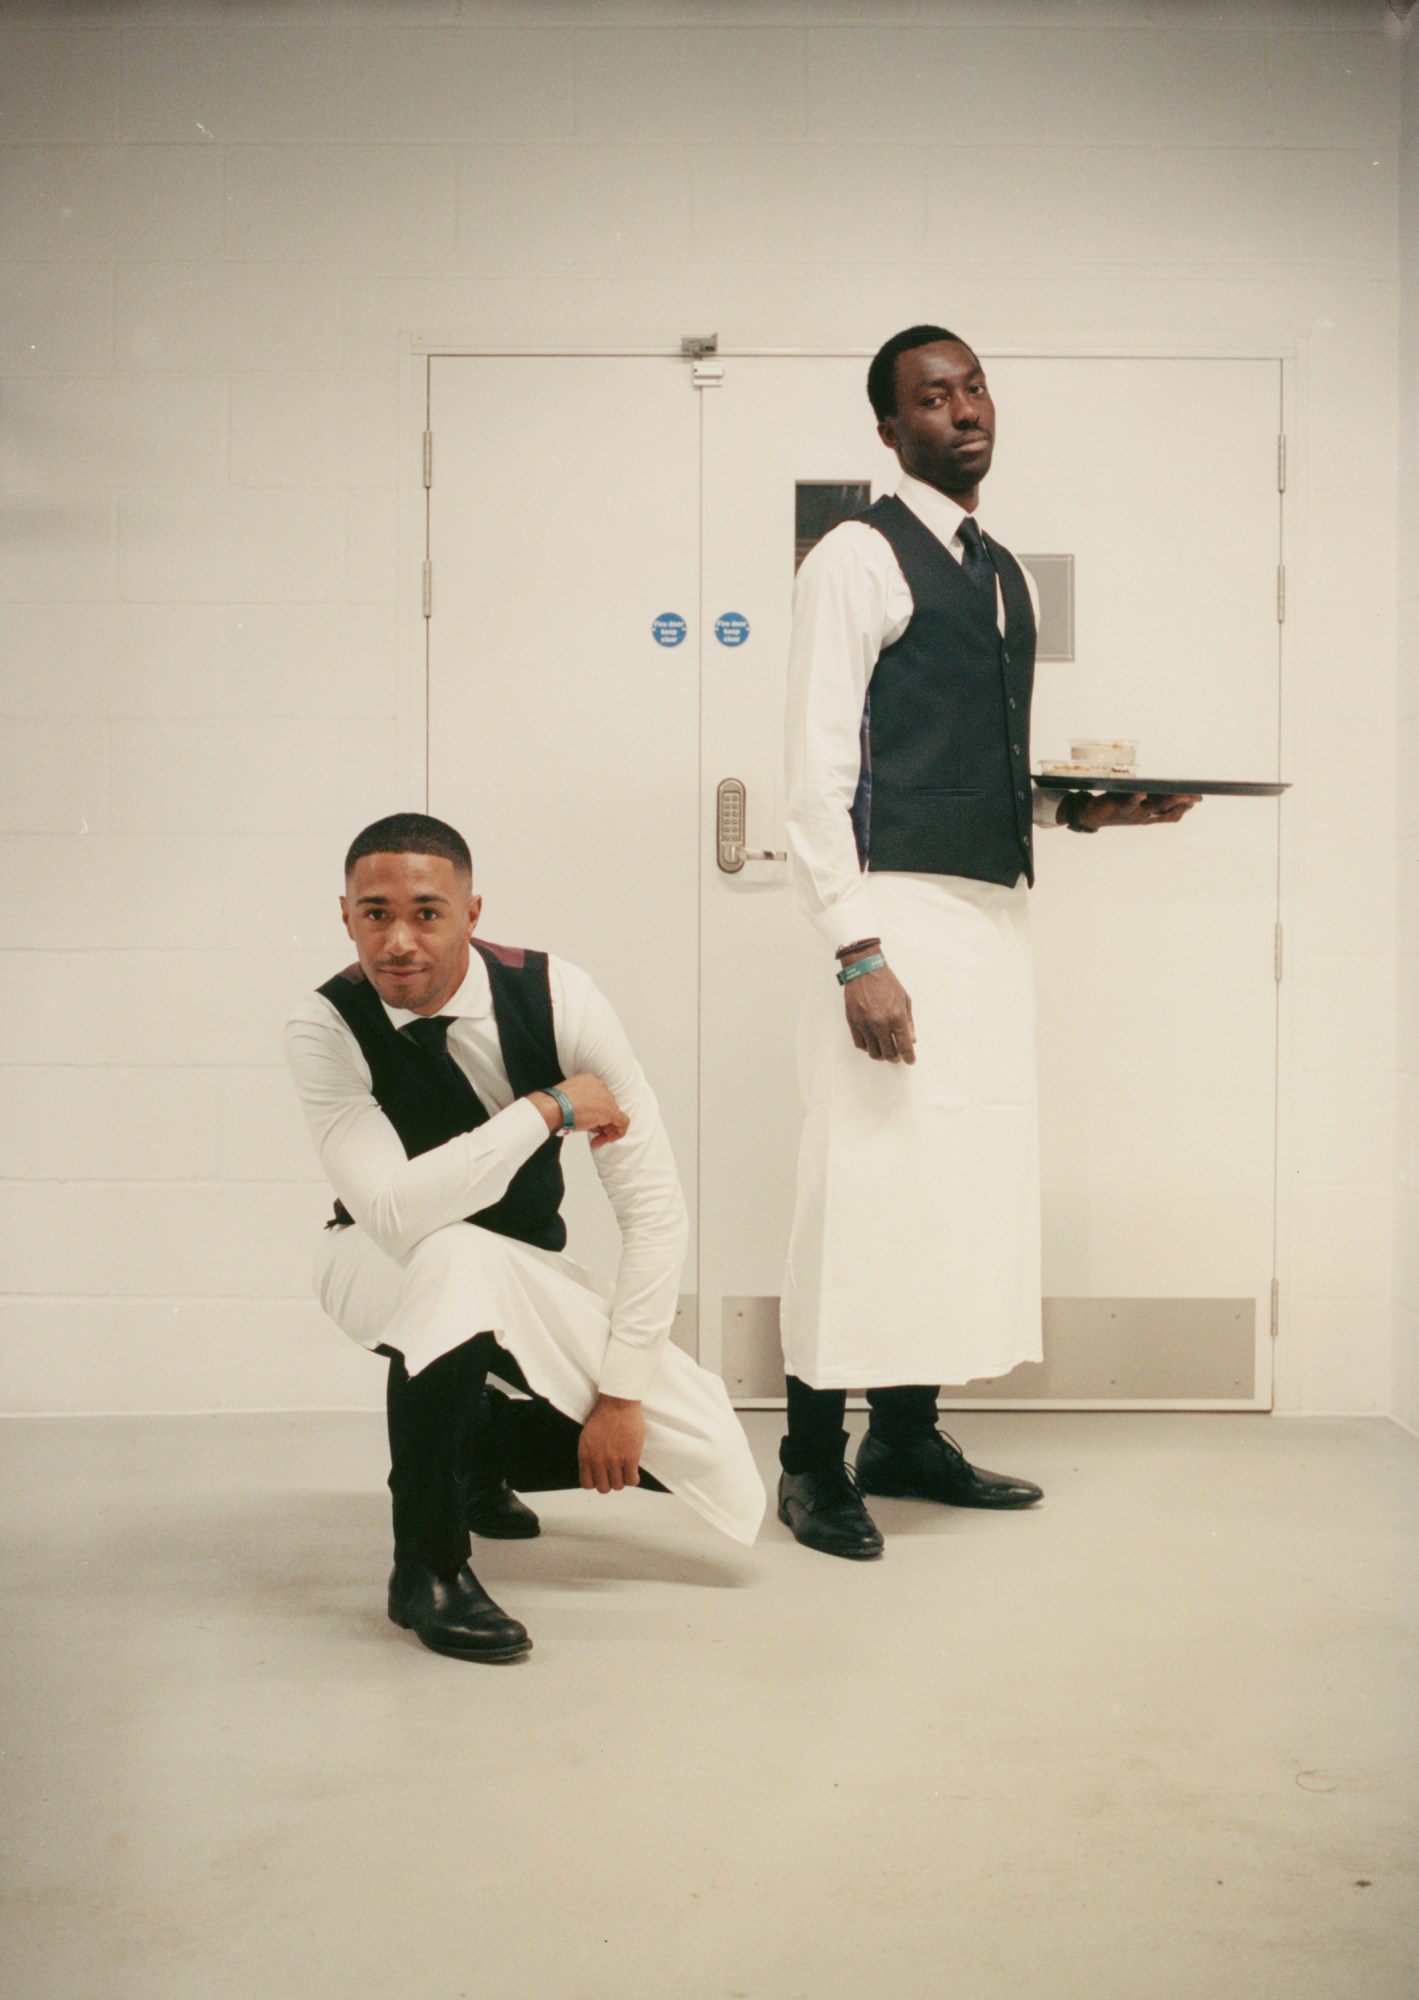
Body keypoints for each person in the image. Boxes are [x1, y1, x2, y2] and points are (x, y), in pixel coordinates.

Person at [778, 324, 1199, 1560]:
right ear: (888, 427)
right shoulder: (857, 556)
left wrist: (1085, 810)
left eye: (973, 389)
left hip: (991, 916)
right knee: (862, 1185)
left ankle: (904, 1433)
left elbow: (972, 766)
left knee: (953, 1183)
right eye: (931, 396)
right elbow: (814, 778)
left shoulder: (1002, 570)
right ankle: (810, 1459)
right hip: (893, 910)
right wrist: (857, 951)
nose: (963, 411)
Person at [286, 813, 766, 1660]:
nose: (398, 940)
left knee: (705, 1453)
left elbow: (653, 1210)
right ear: (345, 914)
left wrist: (619, 1398)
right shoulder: (325, 1026)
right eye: (374, 914)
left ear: (473, 914)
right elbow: (394, 1213)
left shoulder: (558, 1000)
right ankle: (426, 1569)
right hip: (372, 1259)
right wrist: (544, 1110)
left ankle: (472, 1455)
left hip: (521, 1266)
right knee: (450, 1254)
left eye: (427, 912)